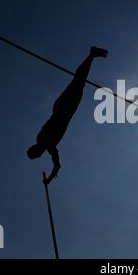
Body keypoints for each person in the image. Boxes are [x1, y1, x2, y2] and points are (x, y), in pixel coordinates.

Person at [27, 46, 108, 184]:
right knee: (79, 84)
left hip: (62, 109)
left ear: (35, 149)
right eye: (38, 156)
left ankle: (91, 55)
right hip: (65, 111)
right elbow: (57, 164)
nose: (40, 154)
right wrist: (50, 178)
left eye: (37, 154)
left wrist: (52, 174)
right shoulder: (48, 147)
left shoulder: (42, 140)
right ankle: (91, 56)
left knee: (77, 83)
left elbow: (55, 159)